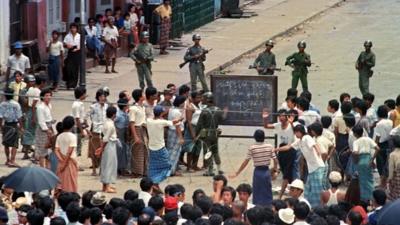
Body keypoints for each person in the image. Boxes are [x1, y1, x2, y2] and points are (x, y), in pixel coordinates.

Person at [275, 125, 325, 208]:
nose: (295, 135)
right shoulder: (300, 141)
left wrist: (318, 151)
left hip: (317, 166)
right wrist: (276, 149)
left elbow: (314, 144)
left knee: (316, 190)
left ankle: (318, 207)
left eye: (296, 132)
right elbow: (288, 147)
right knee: (308, 189)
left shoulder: (306, 137)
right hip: (311, 168)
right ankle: (309, 206)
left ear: (300, 132)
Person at [230, 129, 278, 206]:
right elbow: (275, 160)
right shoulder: (269, 146)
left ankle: (256, 207)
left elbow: (246, 161)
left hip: (257, 172)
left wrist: (237, 172)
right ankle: (268, 206)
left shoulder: (252, 148)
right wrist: (275, 170)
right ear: (264, 137)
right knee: (267, 190)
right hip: (266, 171)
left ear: (255, 137)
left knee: (257, 191)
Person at [263, 109, 297, 199]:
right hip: (281, 151)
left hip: (290, 151)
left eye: (283, 116)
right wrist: (265, 118)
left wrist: (292, 123)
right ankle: (286, 191)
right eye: (279, 116)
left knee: (286, 174)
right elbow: (266, 126)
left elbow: (297, 132)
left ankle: (280, 196)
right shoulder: (278, 125)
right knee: (281, 172)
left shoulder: (291, 125)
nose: (281, 118)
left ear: (287, 116)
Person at [147, 105, 181, 185]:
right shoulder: (162, 122)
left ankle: (153, 182)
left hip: (151, 148)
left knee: (153, 166)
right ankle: (156, 182)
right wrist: (181, 118)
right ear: (161, 113)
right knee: (167, 166)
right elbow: (174, 122)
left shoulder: (149, 121)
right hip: (160, 148)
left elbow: (152, 117)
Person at [196, 92, 227, 176]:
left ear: (207, 100)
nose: (202, 100)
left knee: (208, 151)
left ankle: (210, 170)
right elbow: (223, 119)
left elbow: (199, 124)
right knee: (215, 151)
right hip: (215, 133)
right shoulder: (218, 110)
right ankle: (219, 169)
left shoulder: (204, 111)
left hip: (206, 134)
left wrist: (196, 134)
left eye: (204, 98)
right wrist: (225, 112)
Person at [352, 125, 380, 201]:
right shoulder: (368, 139)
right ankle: (373, 198)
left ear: (355, 134)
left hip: (361, 161)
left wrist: (356, 160)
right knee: (370, 180)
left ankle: (366, 199)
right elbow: (377, 148)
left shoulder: (356, 142)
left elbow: (355, 152)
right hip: (368, 159)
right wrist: (372, 159)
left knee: (363, 181)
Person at [95, 106, 119, 193]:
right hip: (109, 145)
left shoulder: (106, 122)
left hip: (107, 145)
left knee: (105, 164)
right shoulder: (110, 125)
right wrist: (101, 148)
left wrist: (101, 147)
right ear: (114, 115)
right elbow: (105, 138)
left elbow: (102, 137)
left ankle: (105, 186)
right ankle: (107, 186)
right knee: (109, 164)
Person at [22, 75, 45, 159]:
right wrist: (34, 117)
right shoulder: (38, 92)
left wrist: (27, 111)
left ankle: (26, 153)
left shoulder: (30, 89)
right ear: (42, 83)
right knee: (37, 133)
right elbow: (34, 105)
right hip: (35, 112)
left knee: (28, 133)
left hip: (29, 112)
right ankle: (35, 154)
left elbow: (26, 100)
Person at [0, 88, 23, 167]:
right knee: (14, 144)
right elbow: (19, 117)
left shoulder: (2, 104)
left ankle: (7, 160)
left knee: (6, 143)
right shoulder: (16, 104)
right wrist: (21, 127)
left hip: (6, 125)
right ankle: (12, 160)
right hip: (14, 124)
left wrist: (1, 127)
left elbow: (1, 117)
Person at [88, 89, 109, 176]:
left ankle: (102, 168)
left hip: (105, 129)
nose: (103, 98)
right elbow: (86, 116)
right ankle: (93, 169)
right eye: (101, 96)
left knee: (103, 149)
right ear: (98, 97)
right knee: (94, 150)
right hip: (96, 130)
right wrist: (88, 127)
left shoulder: (107, 107)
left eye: (104, 96)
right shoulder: (93, 107)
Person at [55, 116, 78, 193]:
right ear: (72, 125)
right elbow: (69, 152)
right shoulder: (73, 137)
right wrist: (65, 163)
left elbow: (56, 150)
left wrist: (61, 160)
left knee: (61, 181)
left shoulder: (59, 136)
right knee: (71, 182)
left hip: (61, 162)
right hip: (70, 162)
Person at [129, 89, 149, 178]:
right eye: (143, 94)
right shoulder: (133, 108)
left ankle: (143, 171)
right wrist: (135, 136)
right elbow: (132, 123)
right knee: (137, 151)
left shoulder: (143, 107)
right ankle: (136, 171)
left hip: (143, 129)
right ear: (140, 97)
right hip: (137, 129)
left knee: (144, 150)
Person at [183, 91, 203, 171]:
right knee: (190, 148)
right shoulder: (190, 107)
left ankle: (195, 165)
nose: (200, 99)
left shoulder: (200, 106)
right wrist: (193, 134)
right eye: (198, 97)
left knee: (198, 148)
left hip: (199, 128)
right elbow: (189, 121)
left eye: (200, 97)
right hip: (192, 128)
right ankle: (189, 166)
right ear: (193, 98)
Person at [167, 96, 187, 176]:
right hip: (176, 132)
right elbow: (177, 126)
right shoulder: (177, 112)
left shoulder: (172, 109)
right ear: (181, 103)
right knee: (174, 152)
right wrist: (181, 138)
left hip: (171, 131)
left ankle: (171, 170)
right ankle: (171, 171)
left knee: (171, 151)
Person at [374, 105, 393, 187]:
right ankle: (386, 182)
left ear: (378, 114)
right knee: (387, 163)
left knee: (380, 164)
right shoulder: (390, 122)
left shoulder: (379, 124)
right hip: (390, 143)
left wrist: (374, 146)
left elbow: (377, 137)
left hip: (381, 145)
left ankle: (382, 183)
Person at [35, 88, 54, 168]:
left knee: (49, 149)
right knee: (42, 150)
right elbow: (41, 122)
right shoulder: (40, 107)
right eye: (46, 95)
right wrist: (47, 130)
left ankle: (48, 167)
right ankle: (42, 167)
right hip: (43, 130)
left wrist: (51, 129)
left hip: (49, 126)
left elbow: (49, 118)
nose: (48, 97)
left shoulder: (49, 105)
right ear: (42, 97)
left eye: (50, 95)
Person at [115, 98, 131, 175]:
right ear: (124, 106)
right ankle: (119, 169)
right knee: (120, 152)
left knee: (124, 151)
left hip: (124, 133)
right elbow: (113, 121)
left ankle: (123, 168)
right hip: (120, 133)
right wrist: (116, 130)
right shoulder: (118, 115)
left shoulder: (125, 114)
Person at [63, 23, 81, 89]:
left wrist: (78, 49)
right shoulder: (68, 36)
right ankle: (69, 84)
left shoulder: (79, 36)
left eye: (74, 28)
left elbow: (83, 45)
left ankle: (74, 84)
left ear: (76, 29)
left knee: (75, 69)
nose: (73, 29)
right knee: (69, 68)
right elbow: (64, 44)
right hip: (70, 52)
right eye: (72, 28)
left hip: (77, 53)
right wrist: (67, 45)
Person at [71, 87, 88, 158]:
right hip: (77, 127)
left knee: (79, 144)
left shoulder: (80, 104)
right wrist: (82, 131)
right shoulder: (77, 105)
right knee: (77, 145)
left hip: (80, 125)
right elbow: (77, 119)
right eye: (84, 94)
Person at [388, 135, 400, 200]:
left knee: (396, 196)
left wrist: (389, 179)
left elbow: (391, 170)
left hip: (397, 178)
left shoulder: (393, 154)